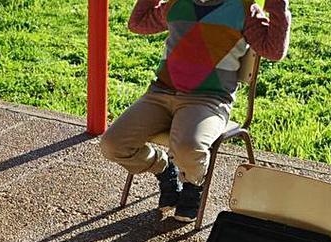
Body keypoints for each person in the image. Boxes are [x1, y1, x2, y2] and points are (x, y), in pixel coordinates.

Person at [99, 0, 291, 222]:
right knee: (112, 145)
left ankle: (193, 182)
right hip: (160, 93)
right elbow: (138, 24)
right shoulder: (176, 4)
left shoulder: (243, 9)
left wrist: (277, 4)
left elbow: (274, 51)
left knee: (188, 147)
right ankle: (163, 167)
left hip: (208, 100)